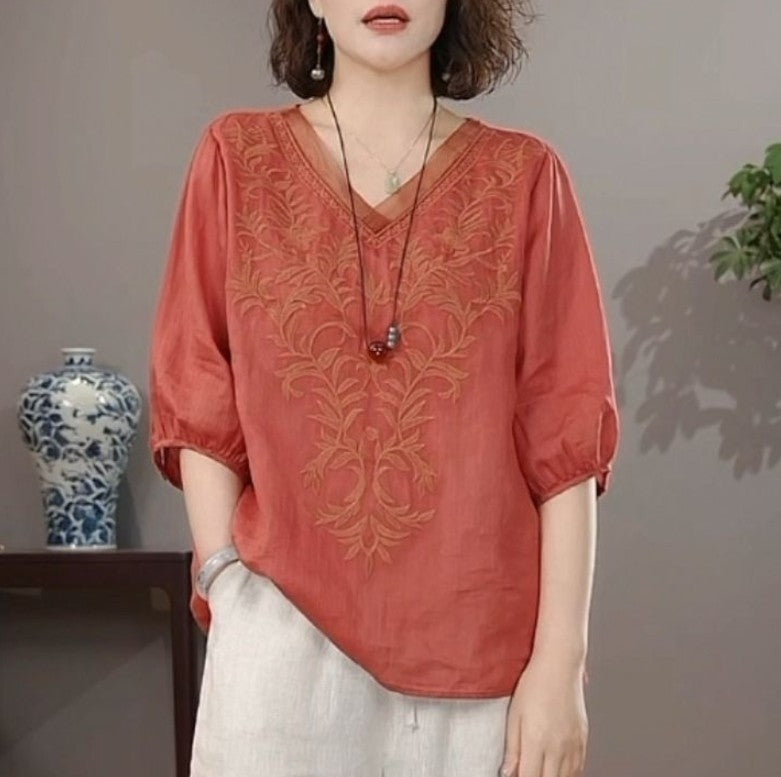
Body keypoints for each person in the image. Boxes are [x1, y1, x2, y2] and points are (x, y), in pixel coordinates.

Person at [148, 1, 621, 775]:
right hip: (279, 644)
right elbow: (196, 382)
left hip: (482, 662)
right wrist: (225, 579)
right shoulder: (237, 159)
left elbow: (565, 435)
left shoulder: (525, 178)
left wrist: (559, 663)